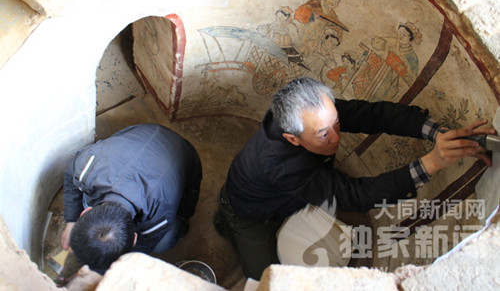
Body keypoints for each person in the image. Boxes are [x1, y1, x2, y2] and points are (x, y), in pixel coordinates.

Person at [213, 77, 496, 280]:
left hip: (281, 195)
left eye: (336, 122)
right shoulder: (281, 164)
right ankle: (224, 222)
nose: (336, 137)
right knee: (264, 277)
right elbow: (356, 196)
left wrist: (438, 134)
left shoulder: (314, 113)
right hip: (247, 210)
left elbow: (374, 115)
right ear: (292, 138)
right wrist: (433, 161)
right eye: (324, 134)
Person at [60, 123, 202, 274]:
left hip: (182, 153)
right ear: (84, 213)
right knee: (84, 197)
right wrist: (71, 221)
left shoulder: (160, 213)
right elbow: (70, 175)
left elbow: (143, 248)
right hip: (146, 132)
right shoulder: (86, 167)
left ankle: (181, 226)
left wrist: (105, 273)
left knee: (164, 241)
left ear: (135, 239)